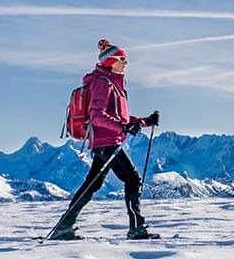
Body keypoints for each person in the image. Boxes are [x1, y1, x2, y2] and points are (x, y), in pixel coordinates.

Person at [48, 39, 161, 240]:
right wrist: (123, 127)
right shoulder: (103, 83)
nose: (126, 63)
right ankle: (136, 228)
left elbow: (121, 117)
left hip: (107, 140)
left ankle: (64, 227)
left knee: (92, 184)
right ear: (111, 61)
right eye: (122, 59)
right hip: (107, 141)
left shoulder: (112, 83)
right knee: (133, 180)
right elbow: (97, 115)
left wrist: (144, 121)